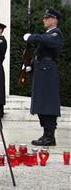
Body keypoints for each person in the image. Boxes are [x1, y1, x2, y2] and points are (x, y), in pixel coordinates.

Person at [22, 8, 64, 146]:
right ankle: (46, 134)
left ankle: (50, 136)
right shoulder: (47, 34)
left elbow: (47, 43)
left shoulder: (56, 34)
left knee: (48, 104)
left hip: (47, 72)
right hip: (41, 71)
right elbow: (40, 54)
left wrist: (31, 37)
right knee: (41, 104)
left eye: (47, 18)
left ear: (55, 20)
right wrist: (31, 65)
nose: (44, 20)